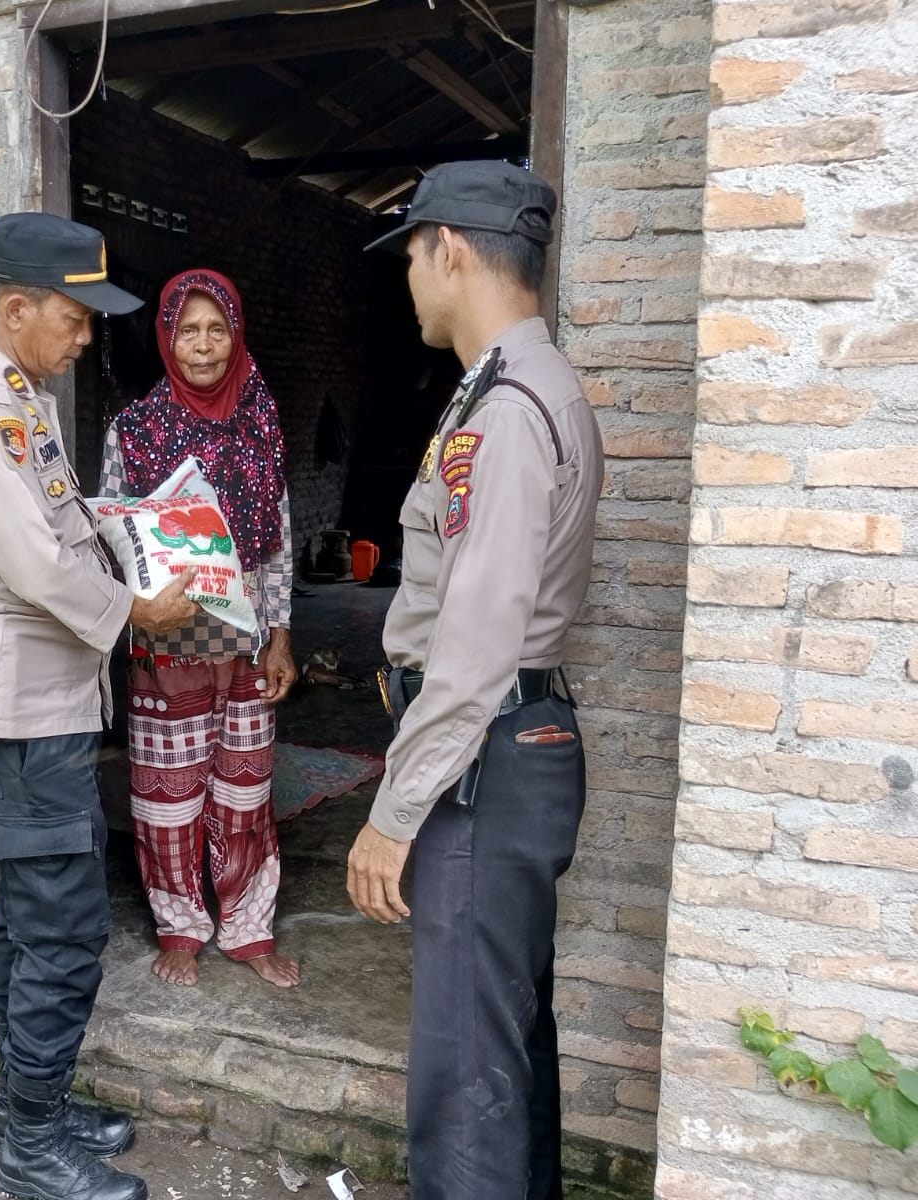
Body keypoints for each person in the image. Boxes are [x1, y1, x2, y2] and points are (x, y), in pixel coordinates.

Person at [0, 212, 201, 1200]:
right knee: (63, 929)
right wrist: (139, 609)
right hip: (21, 718)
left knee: (30, 925)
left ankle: (23, 1111)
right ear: (16, 308)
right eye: (77, 319)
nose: (88, 337)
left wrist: (136, 536)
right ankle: (31, 1143)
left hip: (44, 709)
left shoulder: (20, 402)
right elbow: (37, 565)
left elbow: (63, 530)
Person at [347, 161, 604, 1200]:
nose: (408, 279)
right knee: (500, 1048)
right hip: (505, 751)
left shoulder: (503, 410)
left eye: (409, 254)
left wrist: (393, 814)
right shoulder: (513, 390)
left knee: (463, 1072)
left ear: (447, 248)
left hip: (482, 765)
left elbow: (476, 640)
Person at [100, 269, 301, 991]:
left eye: (218, 329)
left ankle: (249, 926)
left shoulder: (261, 417)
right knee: (167, 795)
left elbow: (276, 538)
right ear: (166, 335)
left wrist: (280, 633)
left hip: (243, 636)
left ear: (236, 333)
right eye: (188, 330)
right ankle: (181, 925)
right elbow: (115, 537)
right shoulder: (135, 428)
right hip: (168, 635)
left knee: (245, 790)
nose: (204, 345)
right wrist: (142, 594)